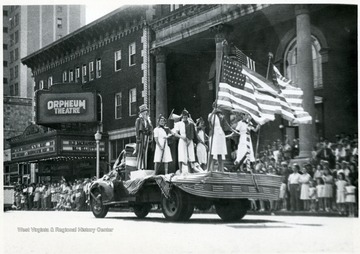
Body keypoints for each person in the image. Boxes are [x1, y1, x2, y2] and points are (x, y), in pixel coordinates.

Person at [172, 109, 197, 174]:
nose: (185, 117)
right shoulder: (179, 124)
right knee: (181, 155)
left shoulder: (191, 123)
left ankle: (190, 171)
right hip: (182, 139)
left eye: (186, 116)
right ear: (182, 116)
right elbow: (175, 133)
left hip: (189, 140)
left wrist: (190, 140)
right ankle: (181, 171)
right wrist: (182, 137)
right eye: (184, 116)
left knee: (190, 155)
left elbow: (193, 132)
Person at [207, 103, 227, 172]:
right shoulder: (211, 114)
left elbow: (222, 123)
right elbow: (209, 120)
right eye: (217, 107)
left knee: (220, 152)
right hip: (215, 133)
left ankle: (221, 169)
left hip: (220, 133)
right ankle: (211, 169)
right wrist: (213, 112)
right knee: (213, 151)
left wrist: (221, 117)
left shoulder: (219, 115)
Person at [134, 104, 153, 169]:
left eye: (146, 111)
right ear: (141, 113)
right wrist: (137, 138)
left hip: (146, 136)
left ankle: (144, 167)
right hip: (141, 136)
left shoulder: (148, 120)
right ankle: (139, 167)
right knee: (140, 151)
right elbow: (136, 130)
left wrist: (150, 138)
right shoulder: (138, 120)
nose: (145, 113)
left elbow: (151, 129)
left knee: (145, 151)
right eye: (144, 112)